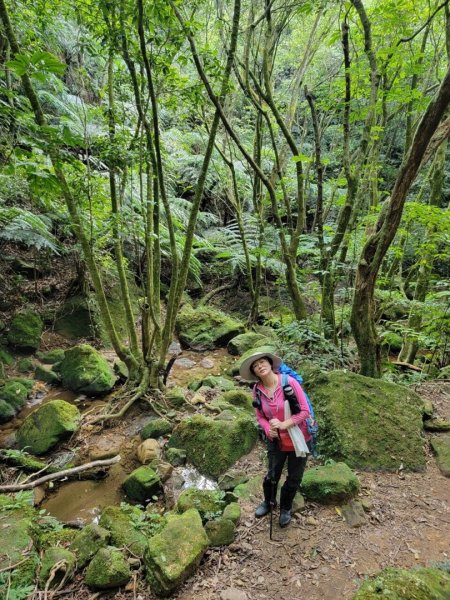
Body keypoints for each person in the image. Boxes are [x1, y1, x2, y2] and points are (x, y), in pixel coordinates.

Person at [239, 351, 311, 528]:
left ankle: (286, 508)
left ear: (271, 364)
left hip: (298, 438)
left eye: (262, 362)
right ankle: (269, 502)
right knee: (272, 475)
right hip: (276, 440)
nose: (260, 366)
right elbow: (260, 416)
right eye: (256, 366)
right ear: (254, 372)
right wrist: (267, 428)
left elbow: (304, 411)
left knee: (294, 477)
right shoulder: (257, 390)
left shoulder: (289, 383)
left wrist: (284, 424)